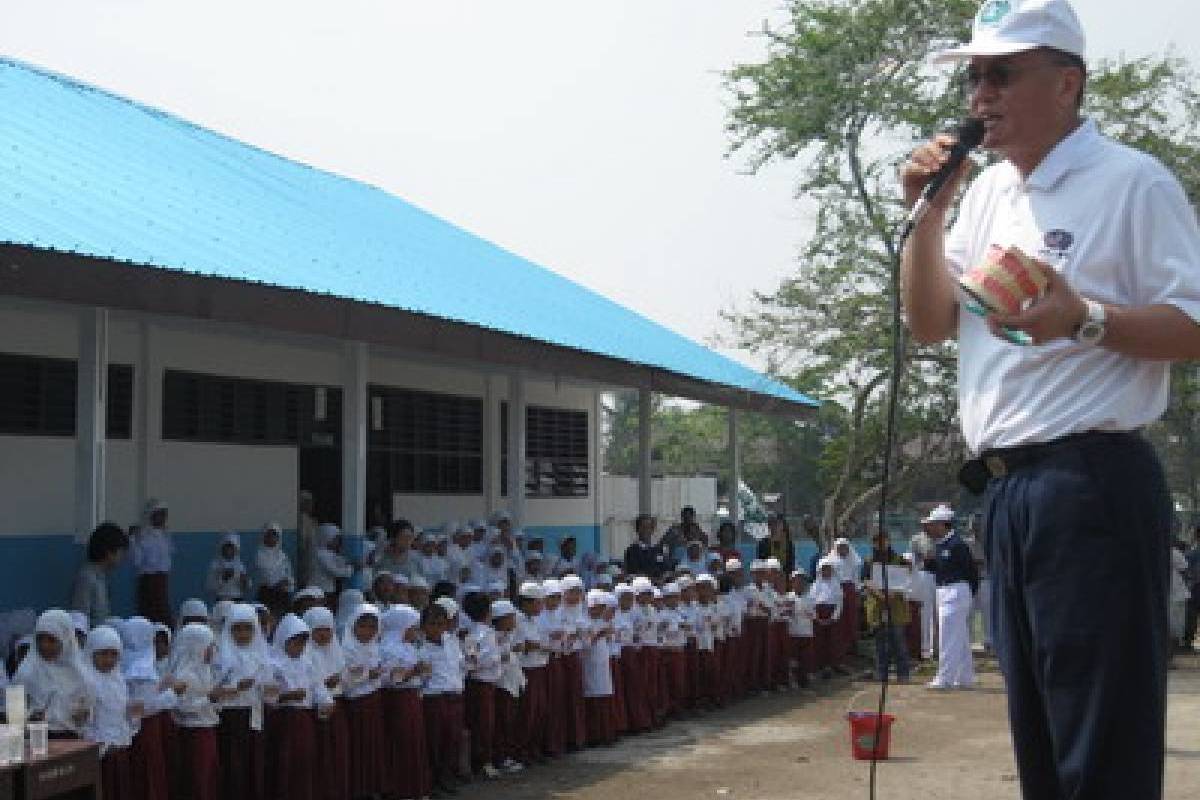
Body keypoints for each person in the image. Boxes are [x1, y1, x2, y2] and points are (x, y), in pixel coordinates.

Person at [902, 1, 1200, 795]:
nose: (980, 96)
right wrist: (927, 213)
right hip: (1006, 492)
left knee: (1099, 747)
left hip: (1091, 483)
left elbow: (1193, 323)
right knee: (1041, 745)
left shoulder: (1132, 182)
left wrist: (1087, 319)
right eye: (974, 76)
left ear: (1068, 82)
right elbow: (930, 322)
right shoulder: (989, 192)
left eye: (1002, 74)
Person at [920, 506, 977, 691]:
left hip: (955, 590)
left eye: (933, 524)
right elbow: (940, 568)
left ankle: (944, 678)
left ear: (942, 525)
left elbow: (970, 571)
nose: (929, 528)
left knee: (948, 637)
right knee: (959, 636)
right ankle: (965, 676)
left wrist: (968, 591)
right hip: (945, 590)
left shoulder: (957, 545)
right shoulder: (941, 545)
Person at [14, 609, 92, 737]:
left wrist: (84, 715)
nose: (44, 645)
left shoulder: (80, 674)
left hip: (72, 742)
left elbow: (86, 714)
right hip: (37, 741)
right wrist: (29, 718)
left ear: (66, 639)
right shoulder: (26, 673)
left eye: (51, 640)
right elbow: (14, 717)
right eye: (40, 639)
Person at [166, 622, 221, 800]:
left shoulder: (206, 671)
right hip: (193, 733)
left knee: (209, 778)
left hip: (208, 729)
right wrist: (209, 698)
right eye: (208, 646)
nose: (212, 651)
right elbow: (183, 707)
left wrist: (216, 700)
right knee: (197, 780)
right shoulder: (184, 675)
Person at [82, 625, 136, 800]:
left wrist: (132, 719)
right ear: (91, 653)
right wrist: (103, 746)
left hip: (120, 751)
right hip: (100, 756)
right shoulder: (86, 683)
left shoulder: (119, 681)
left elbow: (123, 716)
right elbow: (85, 724)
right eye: (103, 654)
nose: (109, 659)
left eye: (114, 654)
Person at [863, 533, 911, 684]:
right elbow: (866, 581)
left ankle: (903, 674)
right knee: (880, 643)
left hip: (896, 606)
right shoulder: (868, 562)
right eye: (877, 541)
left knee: (899, 641)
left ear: (889, 541)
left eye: (883, 540)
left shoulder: (900, 560)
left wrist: (893, 593)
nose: (880, 544)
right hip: (877, 606)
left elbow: (905, 579)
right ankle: (881, 673)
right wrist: (879, 594)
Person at [71, 522, 129, 627]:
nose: (123, 557)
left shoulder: (102, 576)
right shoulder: (86, 577)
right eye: (121, 551)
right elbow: (80, 618)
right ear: (109, 552)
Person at [130, 499, 173, 626]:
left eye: (164, 514)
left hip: (162, 579)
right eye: (160, 514)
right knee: (150, 613)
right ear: (151, 515)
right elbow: (137, 560)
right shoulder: (143, 535)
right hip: (148, 580)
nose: (163, 518)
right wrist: (133, 539)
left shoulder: (165, 535)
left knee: (163, 612)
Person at [255, 522, 295, 618]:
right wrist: (277, 583)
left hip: (283, 595)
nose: (272, 539)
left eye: (275, 536)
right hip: (267, 595)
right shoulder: (260, 555)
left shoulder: (282, 555)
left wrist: (289, 582)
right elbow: (266, 575)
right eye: (268, 535)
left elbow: (289, 573)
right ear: (264, 537)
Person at [206, 533, 250, 603]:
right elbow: (210, 586)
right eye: (227, 547)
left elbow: (247, 587)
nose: (229, 550)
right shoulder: (215, 565)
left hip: (238, 599)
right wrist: (223, 578)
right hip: (222, 599)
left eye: (232, 547)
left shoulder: (240, 565)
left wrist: (244, 581)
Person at [623, 514, 670, 579]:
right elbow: (633, 572)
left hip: (660, 584)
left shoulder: (660, 549)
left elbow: (666, 569)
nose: (646, 530)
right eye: (643, 527)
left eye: (649, 527)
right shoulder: (632, 551)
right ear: (637, 529)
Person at [296, 491, 318, 590]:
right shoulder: (302, 519)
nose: (310, 505)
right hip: (306, 558)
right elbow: (303, 543)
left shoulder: (310, 520)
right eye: (307, 502)